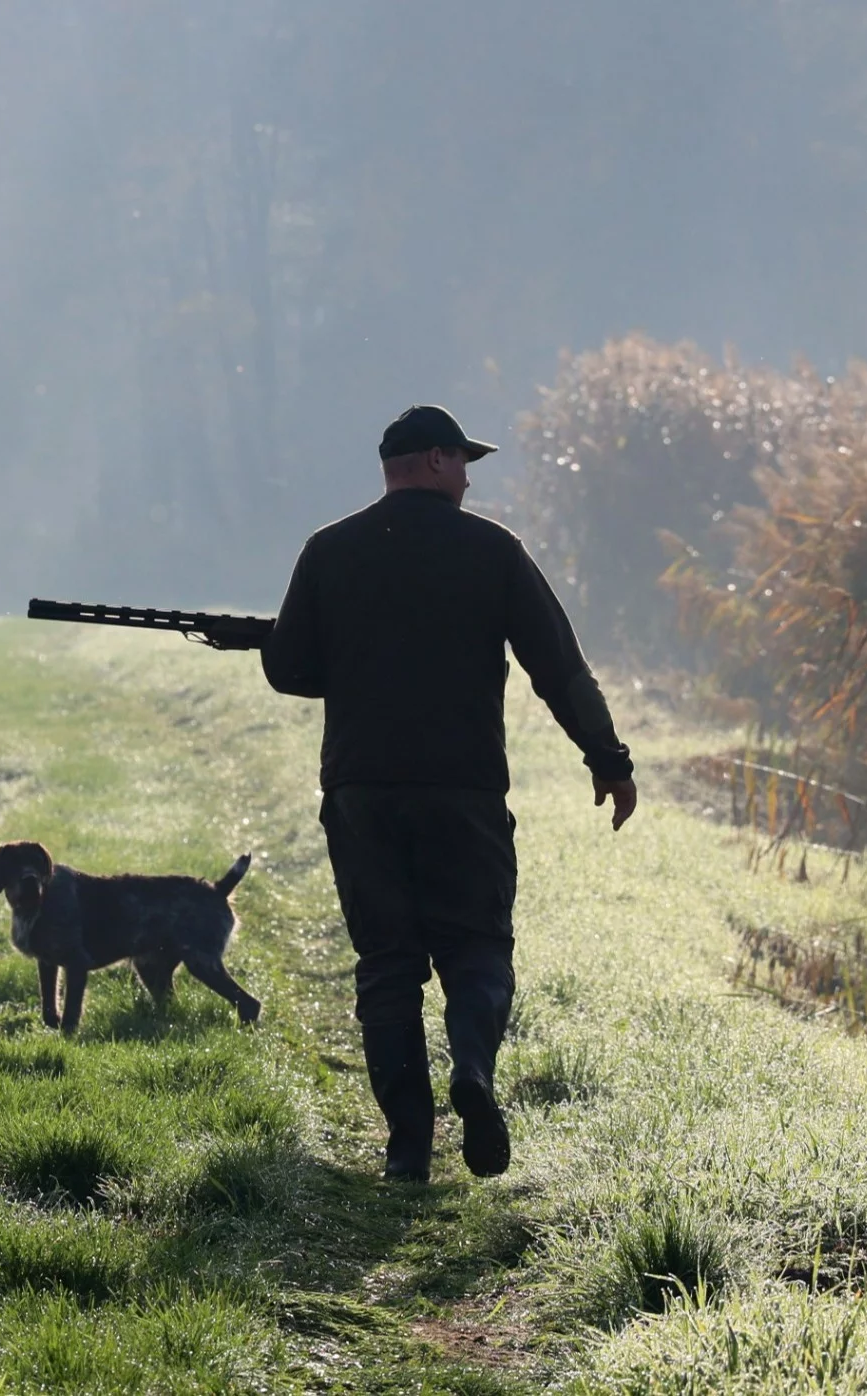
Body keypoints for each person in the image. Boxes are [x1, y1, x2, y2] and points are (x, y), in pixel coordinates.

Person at [261, 404, 637, 1181]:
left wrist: (352, 658)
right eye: (462, 461)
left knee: (387, 964)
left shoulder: (328, 551)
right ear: (432, 460)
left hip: (361, 792)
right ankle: (472, 1069)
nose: (468, 476)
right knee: (476, 949)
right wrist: (607, 756)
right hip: (463, 791)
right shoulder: (493, 551)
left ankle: (406, 1151)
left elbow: (288, 670)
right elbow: (558, 666)